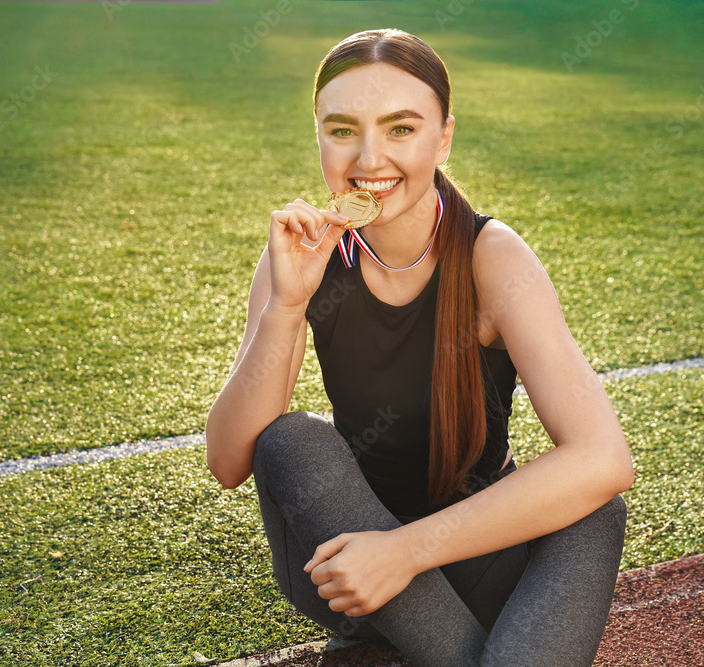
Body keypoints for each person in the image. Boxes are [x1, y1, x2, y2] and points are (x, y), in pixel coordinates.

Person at [206, 28, 634, 667]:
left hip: (471, 559)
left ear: (445, 138)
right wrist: (287, 305)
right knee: (290, 439)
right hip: (347, 570)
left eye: (401, 129)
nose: (369, 159)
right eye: (343, 130)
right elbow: (229, 461)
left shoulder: (493, 256)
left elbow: (604, 458)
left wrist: (405, 552)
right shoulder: (298, 259)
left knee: (595, 510)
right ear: (319, 136)